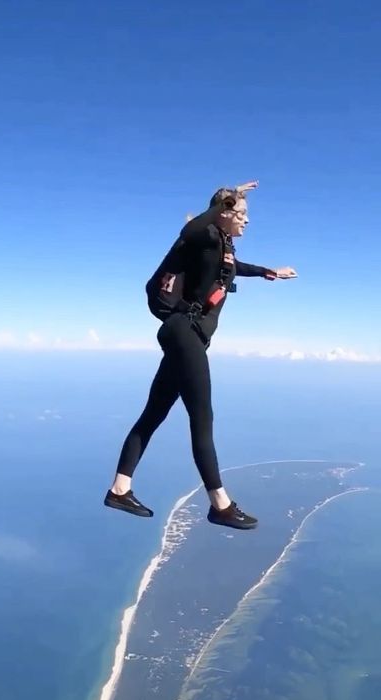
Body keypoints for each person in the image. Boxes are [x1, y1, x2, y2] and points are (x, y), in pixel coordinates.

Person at [104, 181, 297, 529]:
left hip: (185, 337)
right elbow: (189, 228)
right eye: (241, 214)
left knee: (153, 414)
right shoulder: (203, 236)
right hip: (184, 335)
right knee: (202, 419)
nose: (247, 221)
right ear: (224, 213)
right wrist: (224, 200)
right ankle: (219, 504)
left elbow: (237, 266)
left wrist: (270, 272)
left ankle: (119, 489)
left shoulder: (220, 247)